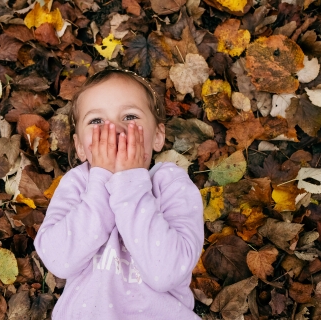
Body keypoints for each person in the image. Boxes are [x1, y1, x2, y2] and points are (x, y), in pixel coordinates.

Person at [34, 69, 204, 320]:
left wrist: (131, 184)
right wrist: (101, 181)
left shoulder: (171, 184)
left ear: (157, 137)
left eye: (130, 116)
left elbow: (165, 272)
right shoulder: (78, 184)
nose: (113, 129)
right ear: (81, 147)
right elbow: (59, 260)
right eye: (96, 121)